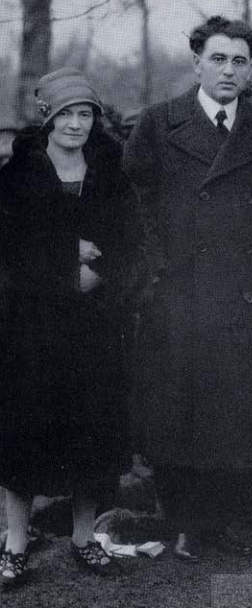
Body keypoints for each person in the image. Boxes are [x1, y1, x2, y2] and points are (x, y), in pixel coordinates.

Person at [123, 16, 252, 561]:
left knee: (236, 414)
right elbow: (134, 208)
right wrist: (156, 274)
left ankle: (220, 523)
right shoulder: (157, 124)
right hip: (179, 293)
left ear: (250, 70)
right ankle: (184, 521)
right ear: (196, 62)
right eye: (218, 59)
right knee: (178, 410)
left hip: (242, 294)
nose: (229, 70)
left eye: (240, 61)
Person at [0, 68, 144, 585]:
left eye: (85, 114)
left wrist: (100, 273)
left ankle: (85, 540)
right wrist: (67, 264)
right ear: (47, 117)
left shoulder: (109, 170)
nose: (77, 124)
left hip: (95, 327)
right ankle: (15, 544)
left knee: (93, 435)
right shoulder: (17, 175)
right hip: (33, 327)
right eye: (66, 114)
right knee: (23, 435)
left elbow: (131, 240)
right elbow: (10, 250)